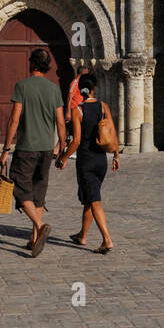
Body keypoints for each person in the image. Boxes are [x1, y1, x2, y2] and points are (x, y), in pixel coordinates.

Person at [0, 48, 66, 257]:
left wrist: (6, 149)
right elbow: (61, 122)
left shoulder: (22, 86)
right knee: (38, 193)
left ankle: (40, 224)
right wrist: (61, 149)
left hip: (27, 148)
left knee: (18, 187)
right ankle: (34, 239)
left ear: (32, 64)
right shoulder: (54, 89)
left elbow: (14, 119)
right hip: (46, 149)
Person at [56, 72, 119, 253]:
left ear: (80, 90)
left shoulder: (78, 110)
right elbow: (112, 132)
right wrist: (116, 155)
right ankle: (82, 235)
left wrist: (63, 158)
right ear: (93, 89)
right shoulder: (103, 106)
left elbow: (75, 141)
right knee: (89, 198)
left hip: (87, 161)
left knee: (94, 200)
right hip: (101, 161)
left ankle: (107, 240)